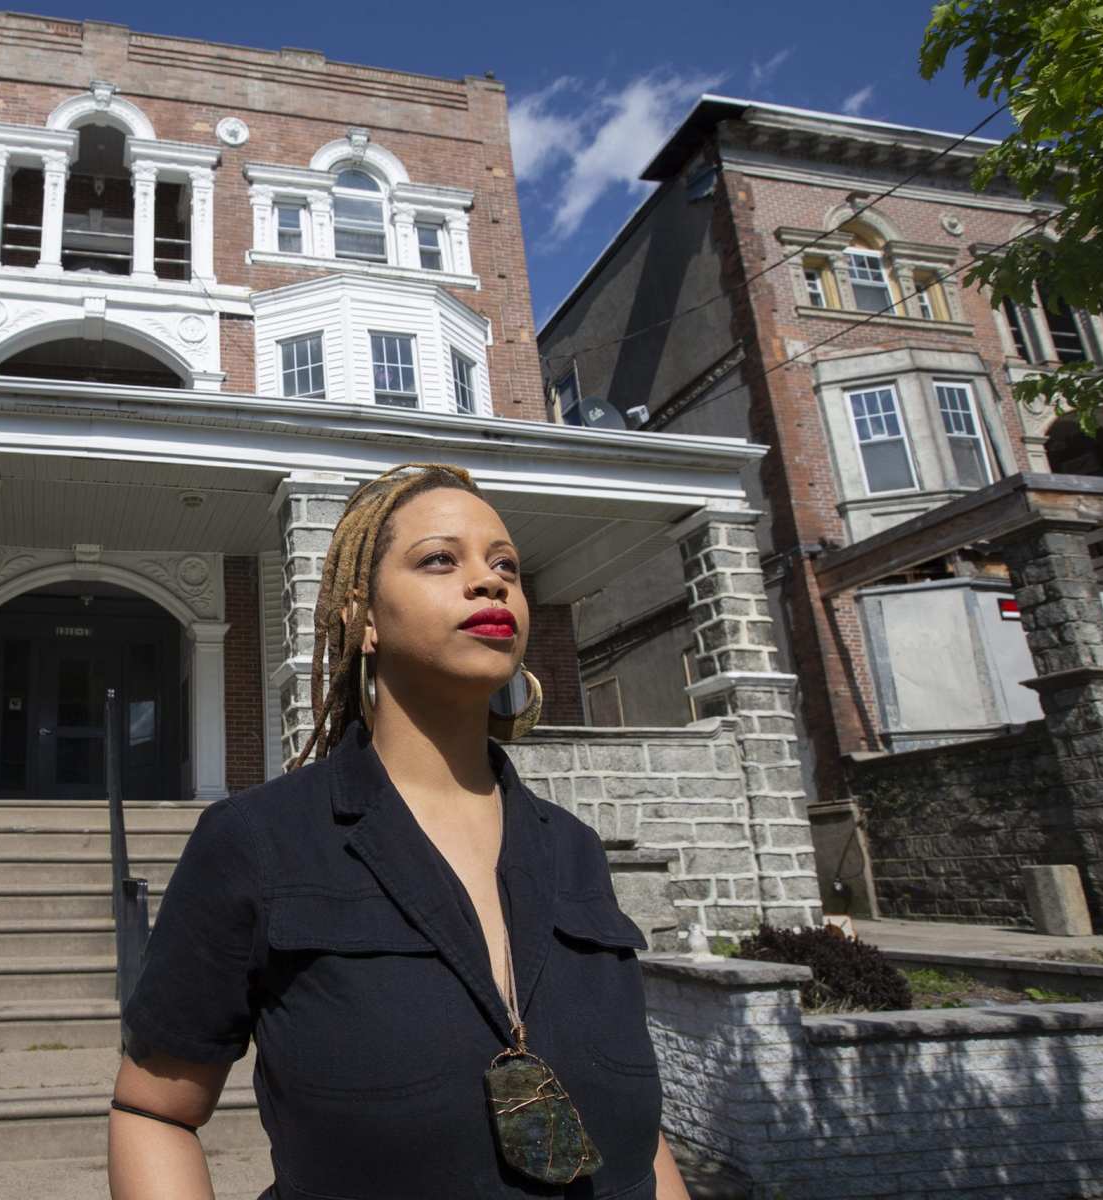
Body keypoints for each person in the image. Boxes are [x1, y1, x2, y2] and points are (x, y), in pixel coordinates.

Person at [107, 463, 689, 1200]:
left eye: (506, 563)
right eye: (440, 559)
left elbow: (638, 1140)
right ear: (364, 619)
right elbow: (153, 1110)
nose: (490, 581)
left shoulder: (576, 851)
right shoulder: (257, 843)